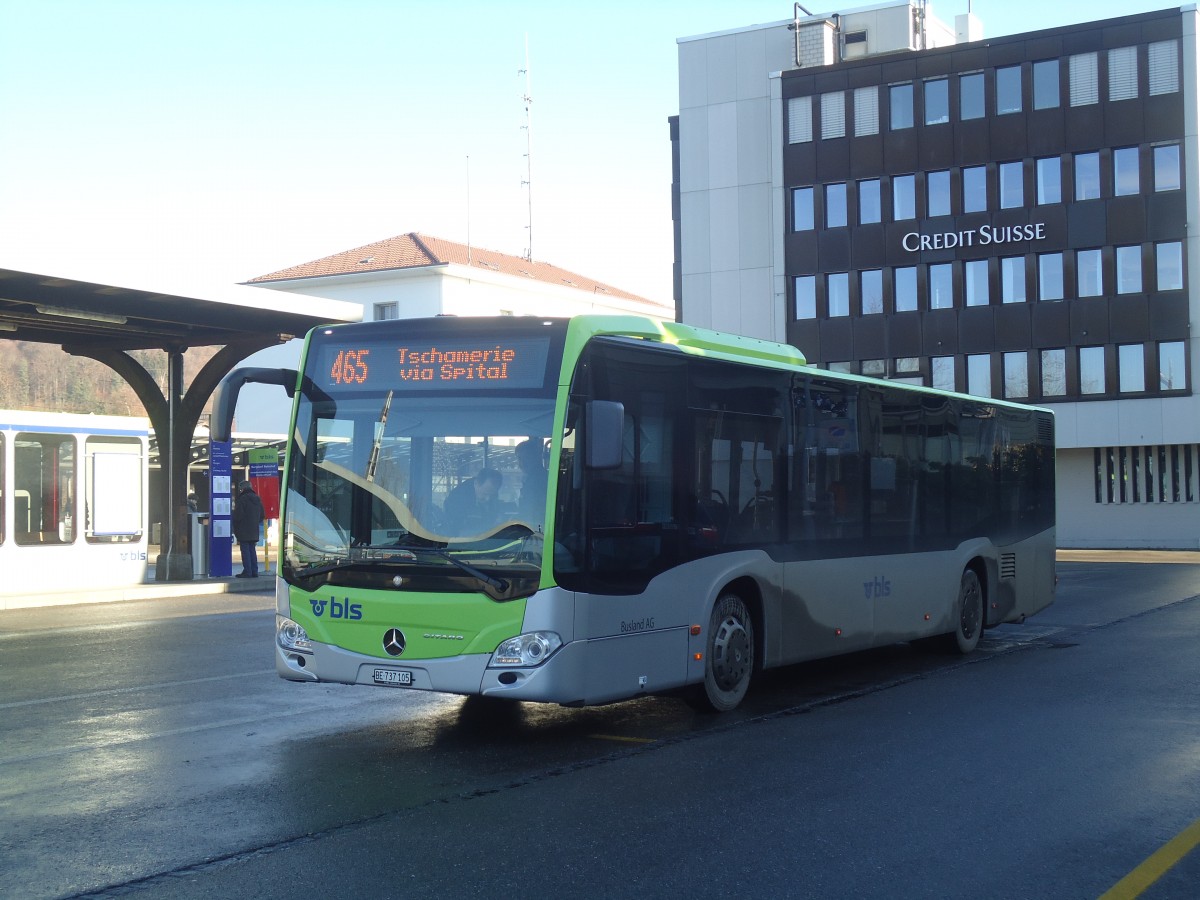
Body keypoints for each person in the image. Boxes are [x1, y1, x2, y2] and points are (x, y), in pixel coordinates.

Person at [443, 468, 503, 535]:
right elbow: (458, 530)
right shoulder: (457, 499)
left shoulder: (491, 492)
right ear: (476, 483)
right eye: (485, 494)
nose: (487, 499)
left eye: (491, 495)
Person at [232, 480, 265, 578]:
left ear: (242, 489)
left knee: (245, 551)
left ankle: (247, 571)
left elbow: (238, 516)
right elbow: (262, 515)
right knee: (252, 550)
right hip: (254, 529)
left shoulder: (242, 499)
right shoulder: (257, 499)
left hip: (243, 529)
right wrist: (254, 522)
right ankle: (254, 571)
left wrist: (236, 525)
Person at [515, 438, 548, 527]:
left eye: (527, 458)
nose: (522, 463)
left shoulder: (539, 480)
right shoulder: (531, 479)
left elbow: (535, 510)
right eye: (519, 458)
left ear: (536, 457)